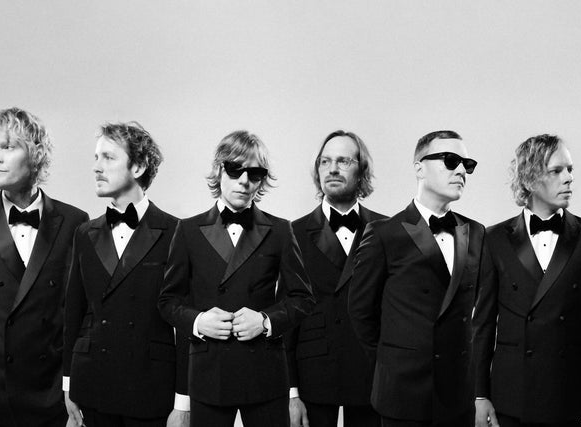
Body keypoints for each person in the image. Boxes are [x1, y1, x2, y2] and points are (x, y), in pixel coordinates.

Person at [158, 130, 315, 427]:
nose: (244, 181)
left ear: (261, 181)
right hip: (208, 372)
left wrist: (265, 322)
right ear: (219, 170)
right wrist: (198, 321)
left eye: (254, 174)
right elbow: (168, 301)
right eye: (235, 169)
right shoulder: (188, 231)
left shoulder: (280, 230)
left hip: (265, 372)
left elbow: (302, 298)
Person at [0, 107, 88, 426]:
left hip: (49, 396)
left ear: (36, 154)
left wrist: (72, 387)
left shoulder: (74, 222)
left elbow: (79, 315)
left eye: (7, 147)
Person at [348, 130, 485, 427]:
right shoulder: (384, 233)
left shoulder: (476, 232)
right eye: (450, 160)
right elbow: (360, 311)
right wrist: (393, 361)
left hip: (458, 395)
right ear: (419, 168)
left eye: (467, 164)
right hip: (403, 393)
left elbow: (474, 308)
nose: (461, 171)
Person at [63, 122, 189, 427]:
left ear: (139, 166)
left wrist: (183, 402)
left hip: (151, 386)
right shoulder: (85, 233)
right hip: (92, 382)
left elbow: (186, 324)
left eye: (108, 157)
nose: (96, 167)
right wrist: (68, 383)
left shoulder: (176, 232)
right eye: (96, 158)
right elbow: (73, 312)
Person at [473, 134, 581, 427]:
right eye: (556, 171)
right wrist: (479, 394)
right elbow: (482, 325)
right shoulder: (493, 239)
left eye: (570, 169)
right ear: (529, 179)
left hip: (572, 397)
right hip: (511, 397)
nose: (568, 178)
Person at [286, 130, 386, 427]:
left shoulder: (388, 229)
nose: (332, 169)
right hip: (313, 374)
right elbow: (287, 319)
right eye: (325, 161)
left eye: (343, 161)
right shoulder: (293, 232)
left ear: (361, 170)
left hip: (372, 375)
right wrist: (291, 393)